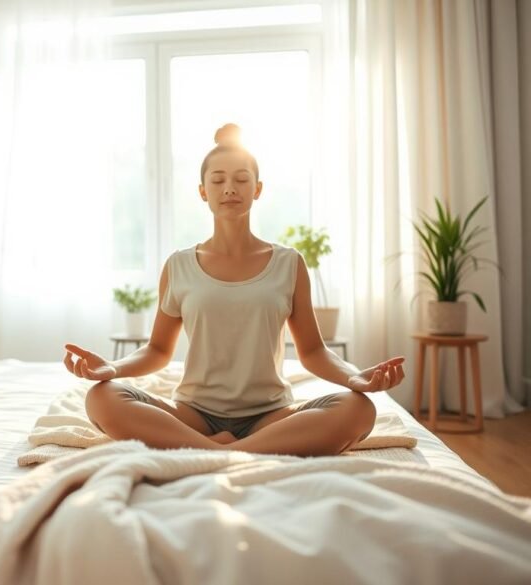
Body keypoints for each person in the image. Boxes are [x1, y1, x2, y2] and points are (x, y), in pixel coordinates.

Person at [63, 123, 405, 457]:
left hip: (270, 417)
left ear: (257, 189)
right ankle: (231, 450)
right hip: (194, 416)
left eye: (242, 179)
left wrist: (355, 378)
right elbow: (156, 350)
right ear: (203, 191)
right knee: (100, 399)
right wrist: (112, 368)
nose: (230, 188)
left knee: (359, 410)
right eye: (218, 180)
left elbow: (313, 351)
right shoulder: (179, 266)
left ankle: (222, 452)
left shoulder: (289, 263)